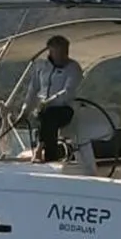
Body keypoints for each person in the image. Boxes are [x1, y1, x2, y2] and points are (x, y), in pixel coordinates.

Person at [13, 34, 83, 162]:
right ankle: (46, 153)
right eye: (59, 53)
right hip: (42, 110)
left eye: (65, 52)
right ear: (50, 52)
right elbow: (33, 90)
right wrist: (25, 112)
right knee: (45, 116)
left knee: (49, 114)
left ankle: (41, 150)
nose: (63, 56)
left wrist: (48, 102)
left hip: (65, 109)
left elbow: (68, 91)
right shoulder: (41, 67)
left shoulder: (73, 68)